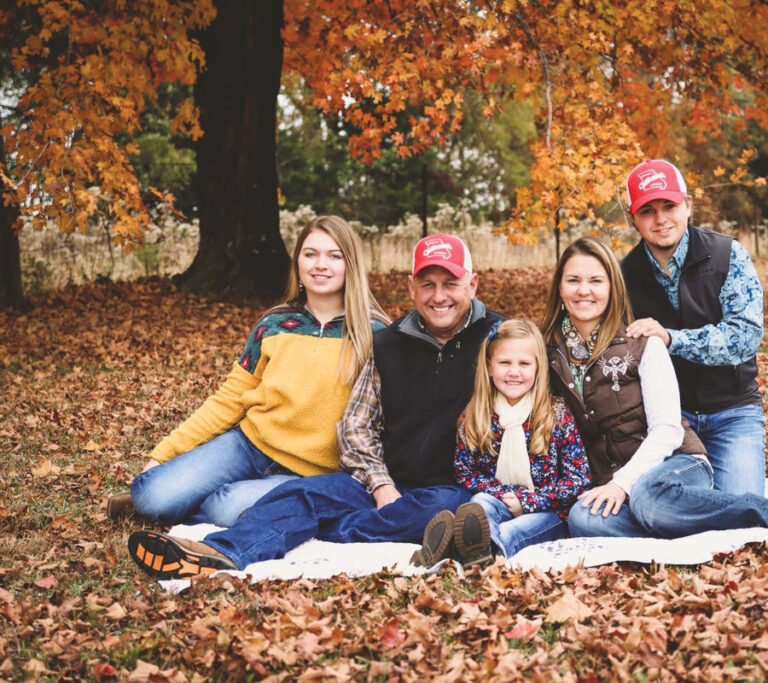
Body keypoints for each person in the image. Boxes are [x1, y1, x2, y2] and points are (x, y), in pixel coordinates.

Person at [127, 233, 507, 579]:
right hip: (377, 481)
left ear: (472, 284)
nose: (438, 296)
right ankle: (217, 555)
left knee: (446, 513)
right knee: (301, 496)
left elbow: (530, 408)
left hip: (449, 486)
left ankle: (324, 527)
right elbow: (357, 426)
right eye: (428, 285)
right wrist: (381, 486)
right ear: (411, 287)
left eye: (450, 284)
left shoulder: (498, 339)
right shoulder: (390, 344)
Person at [543, 237, 768, 542]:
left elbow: (667, 430)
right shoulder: (549, 353)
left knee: (649, 498)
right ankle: (688, 530)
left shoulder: (642, 342)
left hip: (673, 465)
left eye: (596, 280)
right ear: (560, 286)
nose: (584, 290)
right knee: (584, 519)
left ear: (613, 287)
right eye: (573, 280)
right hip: (613, 479)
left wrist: (623, 484)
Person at [121, 216, 388, 527]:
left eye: (334, 255)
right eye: (310, 254)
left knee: (225, 507)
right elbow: (230, 398)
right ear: (297, 262)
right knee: (152, 496)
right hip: (248, 446)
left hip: (311, 470)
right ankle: (170, 500)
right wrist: (163, 455)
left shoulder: (375, 334)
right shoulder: (274, 323)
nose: (320, 265)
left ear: (350, 264)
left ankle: (200, 501)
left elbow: (386, 419)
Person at [619, 159, 767, 496]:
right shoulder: (624, 276)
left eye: (669, 206)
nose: (660, 220)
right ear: (633, 218)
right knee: (656, 505)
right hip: (668, 420)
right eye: (647, 211)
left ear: (688, 205)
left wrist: (671, 339)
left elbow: (744, 338)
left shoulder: (728, 254)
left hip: (733, 412)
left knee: (741, 512)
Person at [413, 320, 590, 567]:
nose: (514, 372)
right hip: (500, 500)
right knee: (479, 504)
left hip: (548, 513)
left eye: (524, 363)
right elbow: (465, 472)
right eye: (505, 363)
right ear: (488, 367)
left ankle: (455, 550)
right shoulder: (476, 414)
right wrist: (506, 495)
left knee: (514, 531)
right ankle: (473, 550)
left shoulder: (555, 414)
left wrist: (530, 501)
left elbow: (578, 479)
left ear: (538, 367)